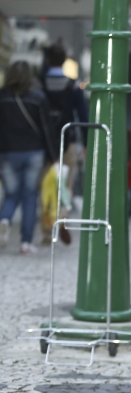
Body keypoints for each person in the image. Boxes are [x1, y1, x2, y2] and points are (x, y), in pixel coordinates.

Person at [0, 61, 57, 254]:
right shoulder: (38, 98)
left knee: (10, 194)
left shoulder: (2, 98)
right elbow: (46, 129)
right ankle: (26, 243)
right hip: (34, 153)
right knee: (30, 196)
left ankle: (4, 220)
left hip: (7, 153)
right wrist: (53, 155)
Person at [41, 43, 89, 197]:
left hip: (43, 142)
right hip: (68, 140)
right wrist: (87, 144)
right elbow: (83, 116)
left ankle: (46, 217)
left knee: (44, 185)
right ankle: (61, 217)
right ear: (65, 61)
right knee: (65, 187)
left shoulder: (39, 84)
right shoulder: (74, 86)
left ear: (48, 59)